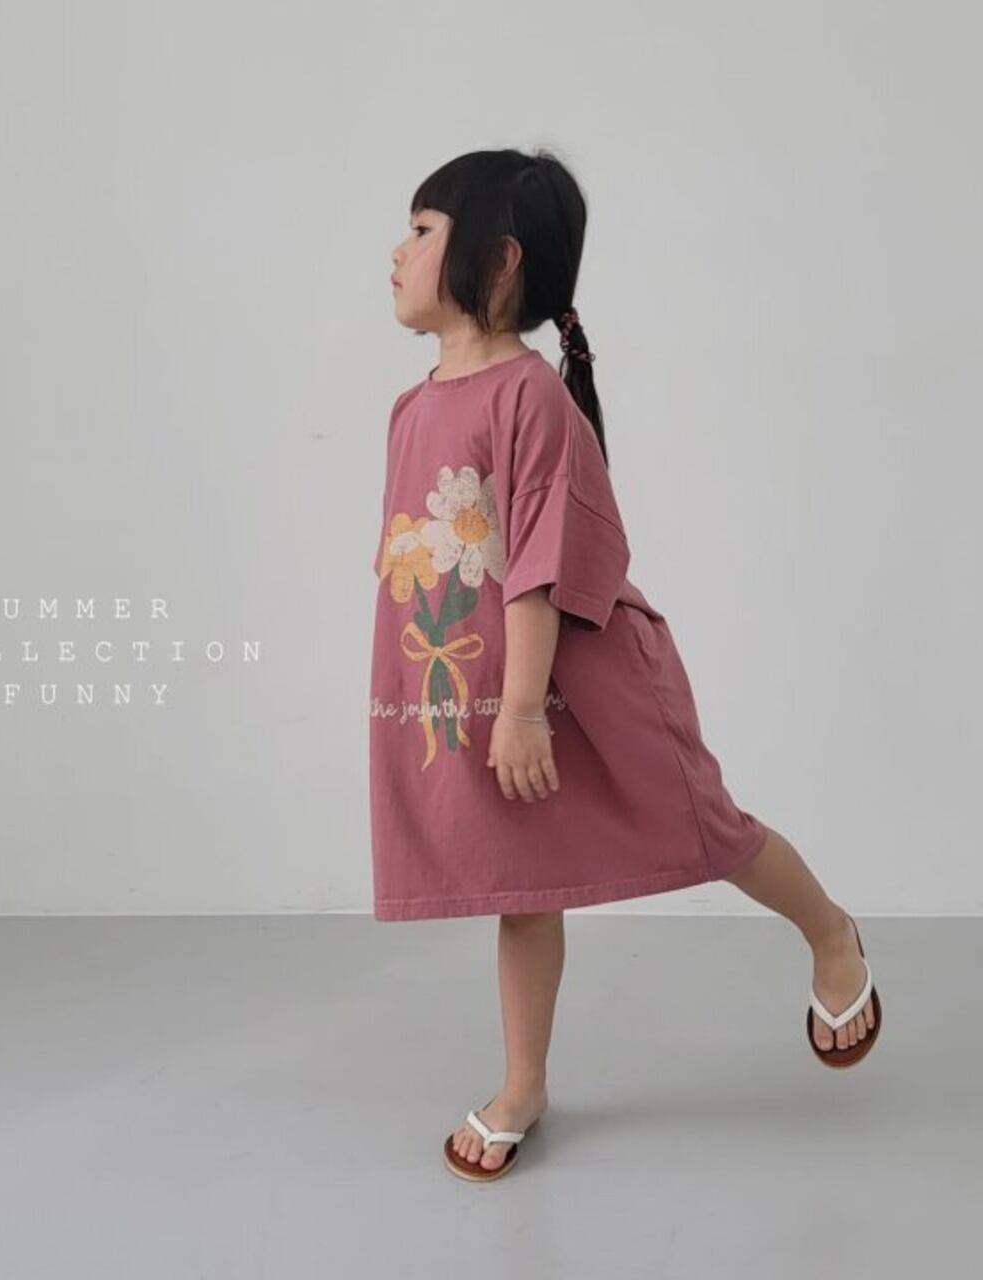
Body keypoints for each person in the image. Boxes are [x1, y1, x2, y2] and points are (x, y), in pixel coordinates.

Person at [370, 147, 882, 1183]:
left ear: (497, 259)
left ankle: (831, 933)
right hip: (497, 690)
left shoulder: (527, 398)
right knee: (523, 884)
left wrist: (521, 708)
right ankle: (524, 1082)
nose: (396, 251)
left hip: (587, 686)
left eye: (420, 231)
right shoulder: (413, 407)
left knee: (709, 827)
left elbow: (539, 570)